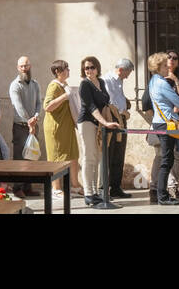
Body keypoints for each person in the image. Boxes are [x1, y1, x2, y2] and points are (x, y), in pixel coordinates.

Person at [77, 56, 121, 206]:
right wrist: (106, 122)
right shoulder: (84, 85)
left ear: (97, 68)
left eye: (92, 67)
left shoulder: (101, 82)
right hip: (87, 123)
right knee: (89, 158)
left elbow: (105, 102)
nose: (89, 70)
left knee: (97, 158)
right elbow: (91, 107)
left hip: (99, 124)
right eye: (86, 68)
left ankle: (95, 193)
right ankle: (88, 194)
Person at [148, 52, 179, 206]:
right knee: (167, 160)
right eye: (164, 65)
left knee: (166, 159)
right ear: (158, 67)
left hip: (159, 121)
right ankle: (162, 196)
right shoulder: (162, 83)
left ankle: (161, 193)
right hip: (166, 123)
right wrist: (175, 105)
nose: (167, 67)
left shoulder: (152, 81)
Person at [42, 59, 81, 197]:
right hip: (56, 128)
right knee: (56, 158)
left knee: (73, 155)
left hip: (67, 127)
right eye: (66, 68)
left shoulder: (64, 85)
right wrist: (65, 96)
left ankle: (75, 186)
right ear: (58, 72)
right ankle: (56, 189)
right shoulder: (53, 86)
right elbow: (47, 106)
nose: (69, 71)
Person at [8, 56, 42, 197]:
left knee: (31, 157)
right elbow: (19, 107)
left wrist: (36, 116)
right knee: (20, 158)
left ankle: (28, 187)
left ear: (30, 66)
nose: (24, 68)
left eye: (26, 65)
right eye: (21, 66)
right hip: (21, 126)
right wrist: (30, 122)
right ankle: (17, 188)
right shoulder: (15, 85)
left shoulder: (35, 84)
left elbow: (39, 103)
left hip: (33, 125)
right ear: (17, 67)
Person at [101, 58, 133, 198]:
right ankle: (104, 188)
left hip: (121, 119)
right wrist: (122, 110)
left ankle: (115, 187)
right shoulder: (107, 80)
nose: (128, 76)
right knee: (108, 154)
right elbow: (109, 101)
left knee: (119, 154)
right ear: (121, 70)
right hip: (112, 119)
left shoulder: (119, 80)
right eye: (128, 72)